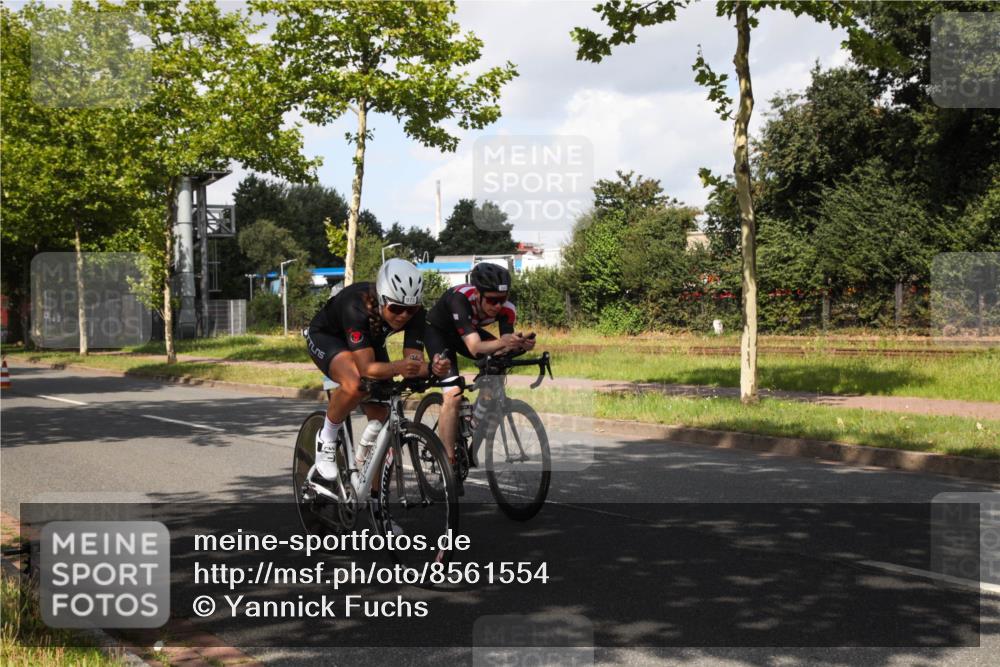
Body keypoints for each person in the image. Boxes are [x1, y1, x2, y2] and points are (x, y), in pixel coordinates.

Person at [305, 258, 450, 482]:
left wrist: (433, 368)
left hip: (369, 339)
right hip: (329, 337)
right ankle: (326, 438)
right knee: (356, 385)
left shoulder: (415, 313)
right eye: (396, 308)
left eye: (410, 310)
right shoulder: (357, 305)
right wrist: (396, 367)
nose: (403, 316)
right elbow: (367, 370)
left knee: (383, 422)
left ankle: (374, 503)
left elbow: (412, 362)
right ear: (382, 299)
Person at [424, 262, 535, 468]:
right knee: (453, 393)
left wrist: (521, 345)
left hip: (466, 332)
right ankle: (447, 464)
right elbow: (475, 347)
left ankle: (473, 443)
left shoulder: (506, 309)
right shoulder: (460, 299)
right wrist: (503, 342)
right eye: (492, 300)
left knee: (498, 366)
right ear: (477, 293)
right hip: (438, 332)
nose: (497, 306)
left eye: (502, 299)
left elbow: (504, 345)